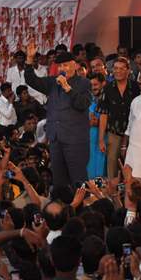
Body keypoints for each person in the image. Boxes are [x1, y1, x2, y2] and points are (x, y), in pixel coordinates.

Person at [25, 43, 91, 187]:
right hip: (56, 139)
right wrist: (29, 60)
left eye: (65, 65)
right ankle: (62, 206)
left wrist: (68, 88)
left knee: (78, 179)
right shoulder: (52, 83)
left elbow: (83, 104)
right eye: (60, 66)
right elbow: (31, 80)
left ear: (74, 65)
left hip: (75, 140)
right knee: (59, 181)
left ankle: (80, 207)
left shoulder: (83, 83)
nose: (62, 69)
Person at [97, 57, 140, 179]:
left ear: (128, 71)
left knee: (132, 165)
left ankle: (131, 192)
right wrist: (101, 139)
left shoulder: (136, 88)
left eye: (122, 68)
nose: (118, 71)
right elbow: (103, 114)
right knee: (112, 166)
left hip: (133, 134)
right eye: (115, 68)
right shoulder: (108, 88)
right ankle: (112, 195)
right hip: (114, 133)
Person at [87, 73, 107, 179]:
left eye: (95, 84)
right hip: (89, 143)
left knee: (102, 176)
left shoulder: (108, 100)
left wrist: (98, 122)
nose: (93, 88)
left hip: (103, 141)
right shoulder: (88, 100)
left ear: (103, 84)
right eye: (91, 85)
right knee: (90, 176)